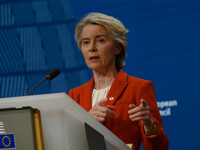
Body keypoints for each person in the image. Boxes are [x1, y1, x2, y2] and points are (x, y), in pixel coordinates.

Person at [68, 12, 169, 150]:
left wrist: (149, 125)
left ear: (117, 47)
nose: (91, 48)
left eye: (100, 41)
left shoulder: (138, 87)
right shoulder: (75, 95)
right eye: (86, 42)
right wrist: (86, 121)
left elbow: (160, 148)